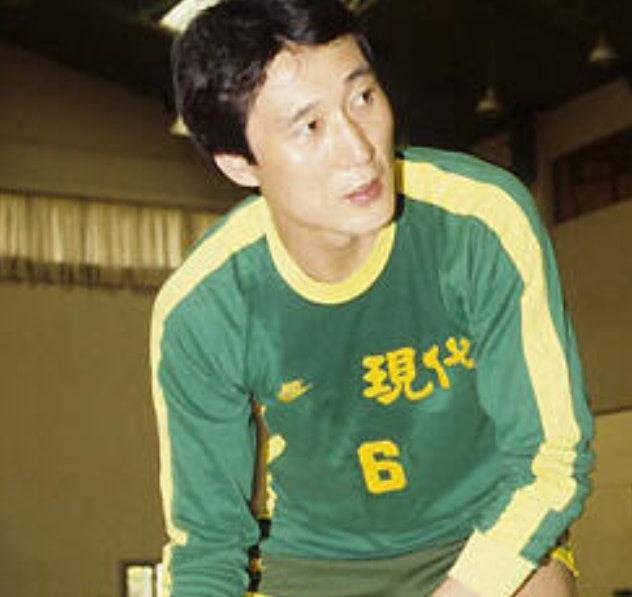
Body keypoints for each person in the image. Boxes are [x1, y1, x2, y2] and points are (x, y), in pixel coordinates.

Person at [149, 0, 594, 595]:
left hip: (482, 531)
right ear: (240, 165)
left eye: (362, 97)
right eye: (310, 127)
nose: (358, 148)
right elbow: (208, 543)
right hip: (314, 564)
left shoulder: (479, 222)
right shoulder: (204, 309)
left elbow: (550, 458)